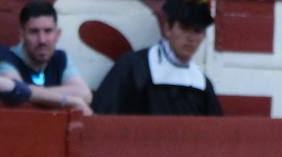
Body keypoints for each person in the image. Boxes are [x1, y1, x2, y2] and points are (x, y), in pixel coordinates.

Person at [91, 0, 221, 116]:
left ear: (204, 36)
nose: (191, 38)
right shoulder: (133, 68)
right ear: (167, 29)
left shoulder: (202, 85)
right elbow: (104, 116)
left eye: (198, 31)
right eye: (185, 28)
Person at [0, 1, 93, 114]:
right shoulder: (5, 58)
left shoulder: (60, 58)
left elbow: (84, 94)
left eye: (48, 31)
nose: (42, 40)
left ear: (57, 34)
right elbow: (17, 91)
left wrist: (37, 93)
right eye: (34, 32)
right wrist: (72, 101)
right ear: (22, 36)